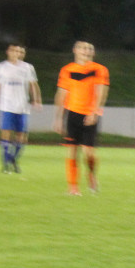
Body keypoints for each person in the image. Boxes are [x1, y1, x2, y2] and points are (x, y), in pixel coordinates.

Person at [52, 40, 109, 195]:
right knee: (72, 151)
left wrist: (94, 112)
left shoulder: (99, 69)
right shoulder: (67, 70)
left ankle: (91, 175)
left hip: (90, 114)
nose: (86, 50)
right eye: (83, 48)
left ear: (93, 53)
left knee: (88, 153)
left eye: (90, 48)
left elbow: (101, 92)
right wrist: (58, 118)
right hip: (72, 114)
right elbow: (61, 94)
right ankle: (73, 187)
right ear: (75, 50)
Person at [0, 43, 42, 173]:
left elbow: (34, 84)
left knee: (22, 137)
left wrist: (37, 99)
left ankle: (13, 159)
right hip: (6, 105)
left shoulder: (28, 67)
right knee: (6, 133)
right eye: (15, 51)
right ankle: (5, 164)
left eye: (20, 51)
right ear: (8, 52)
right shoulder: (1, 67)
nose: (18, 53)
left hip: (22, 106)